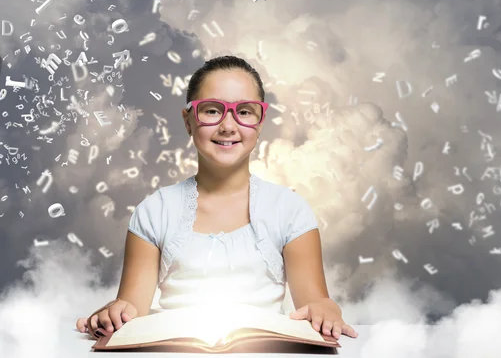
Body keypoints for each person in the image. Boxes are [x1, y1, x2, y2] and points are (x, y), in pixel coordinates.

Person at [75, 55, 358, 340]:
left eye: (245, 112)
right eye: (212, 111)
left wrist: (325, 309)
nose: (228, 126)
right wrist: (114, 314)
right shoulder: (155, 211)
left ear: (260, 122)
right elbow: (131, 309)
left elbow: (314, 302)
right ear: (188, 120)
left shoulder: (290, 211)